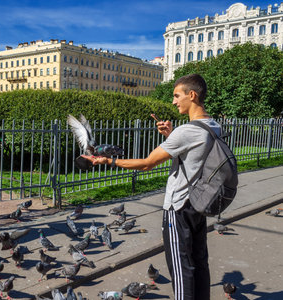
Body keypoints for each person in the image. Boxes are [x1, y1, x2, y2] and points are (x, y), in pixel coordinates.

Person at [83, 74, 219, 300]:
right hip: (200, 203)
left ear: (192, 95)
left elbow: (147, 164)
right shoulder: (213, 125)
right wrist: (171, 135)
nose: (174, 101)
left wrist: (109, 161)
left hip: (179, 208)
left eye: (177, 95)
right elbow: (193, 156)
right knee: (199, 263)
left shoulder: (187, 131)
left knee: (181, 269)